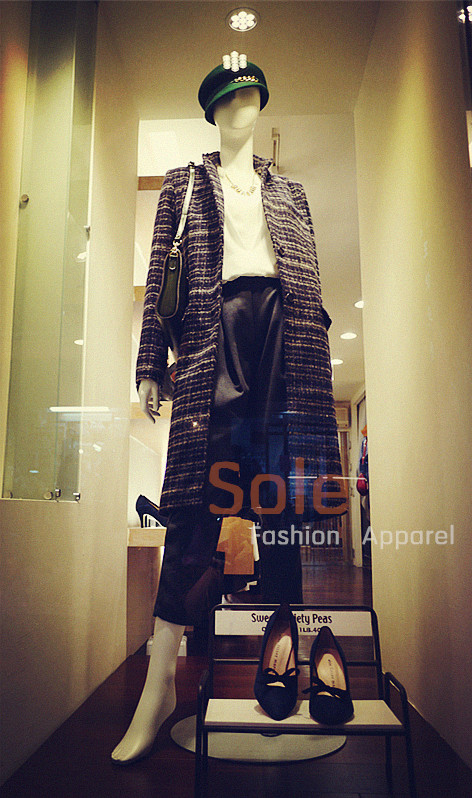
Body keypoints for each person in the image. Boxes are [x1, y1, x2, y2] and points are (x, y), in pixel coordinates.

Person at [111, 53, 342, 764]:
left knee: (281, 509)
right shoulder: (184, 184)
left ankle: (283, 665)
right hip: (215, 337)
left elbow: (308, 278)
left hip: (287, 341)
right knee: (192, 515)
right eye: (232, 98)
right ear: (212, 109)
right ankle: (159, 685)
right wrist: (149, 364)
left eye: (254, 96)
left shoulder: (292, 191)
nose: (246, 107)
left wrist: (317, 352)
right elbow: (162, 277)